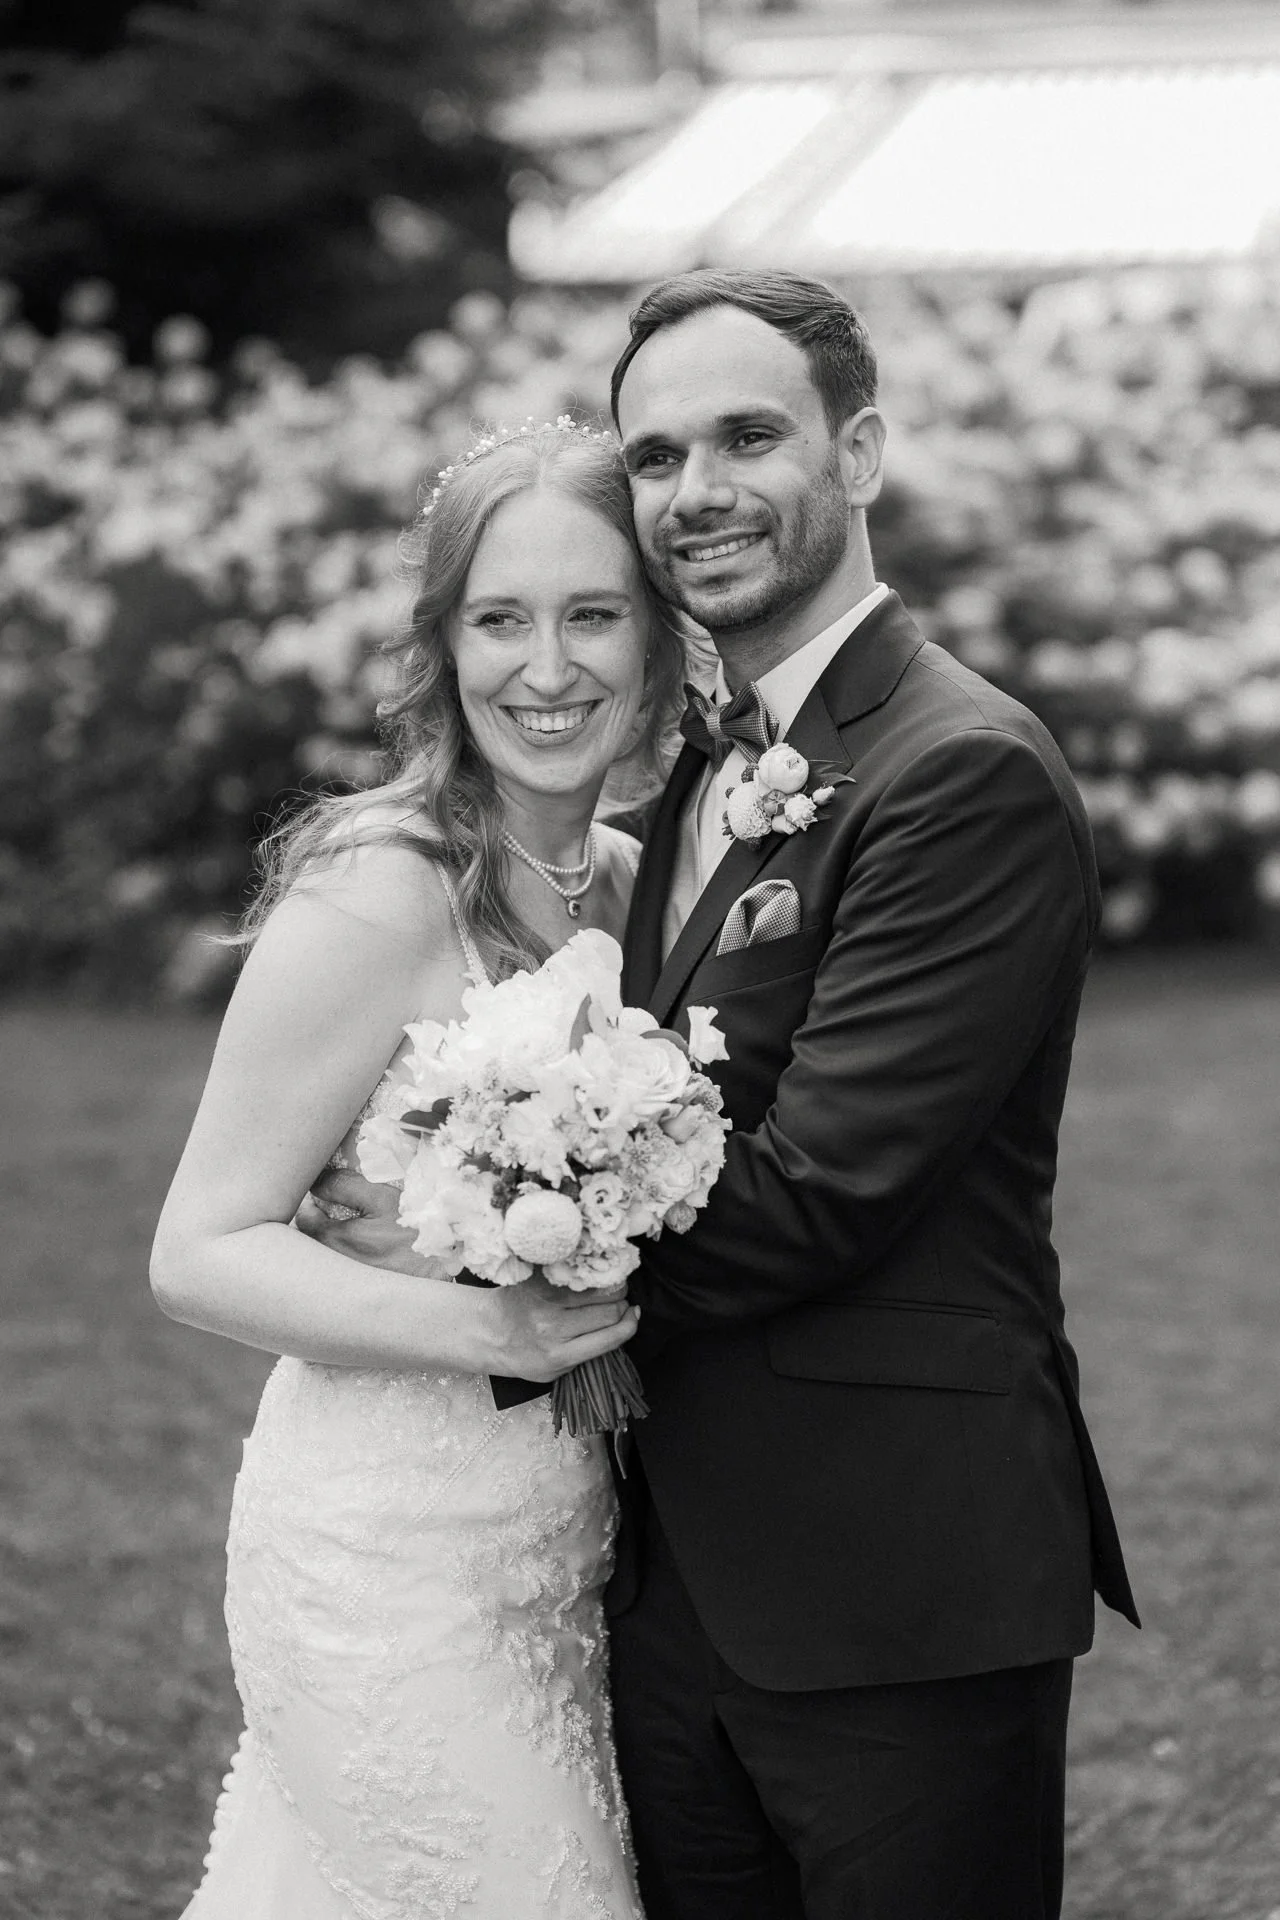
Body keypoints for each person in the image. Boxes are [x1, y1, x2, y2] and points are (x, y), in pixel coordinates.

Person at [310, 269, 1140, 1920]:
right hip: (667, 1580)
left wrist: (467, 1244)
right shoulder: (701, 762)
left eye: (749, 438)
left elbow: (823, 1192)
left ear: (861, 453)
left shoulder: (958, 770)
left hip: (893, 1584)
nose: (697, 490)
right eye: (658, 454)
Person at [150, 419, 692, 1918]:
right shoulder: (384, 886)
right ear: (444, 645)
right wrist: (489, 1325)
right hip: (380, 1561)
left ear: (657, 639)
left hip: (562, 1559)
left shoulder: (641, 888)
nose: (548, 668)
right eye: (500, 620)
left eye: (593, 615)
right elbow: (198, 1248)